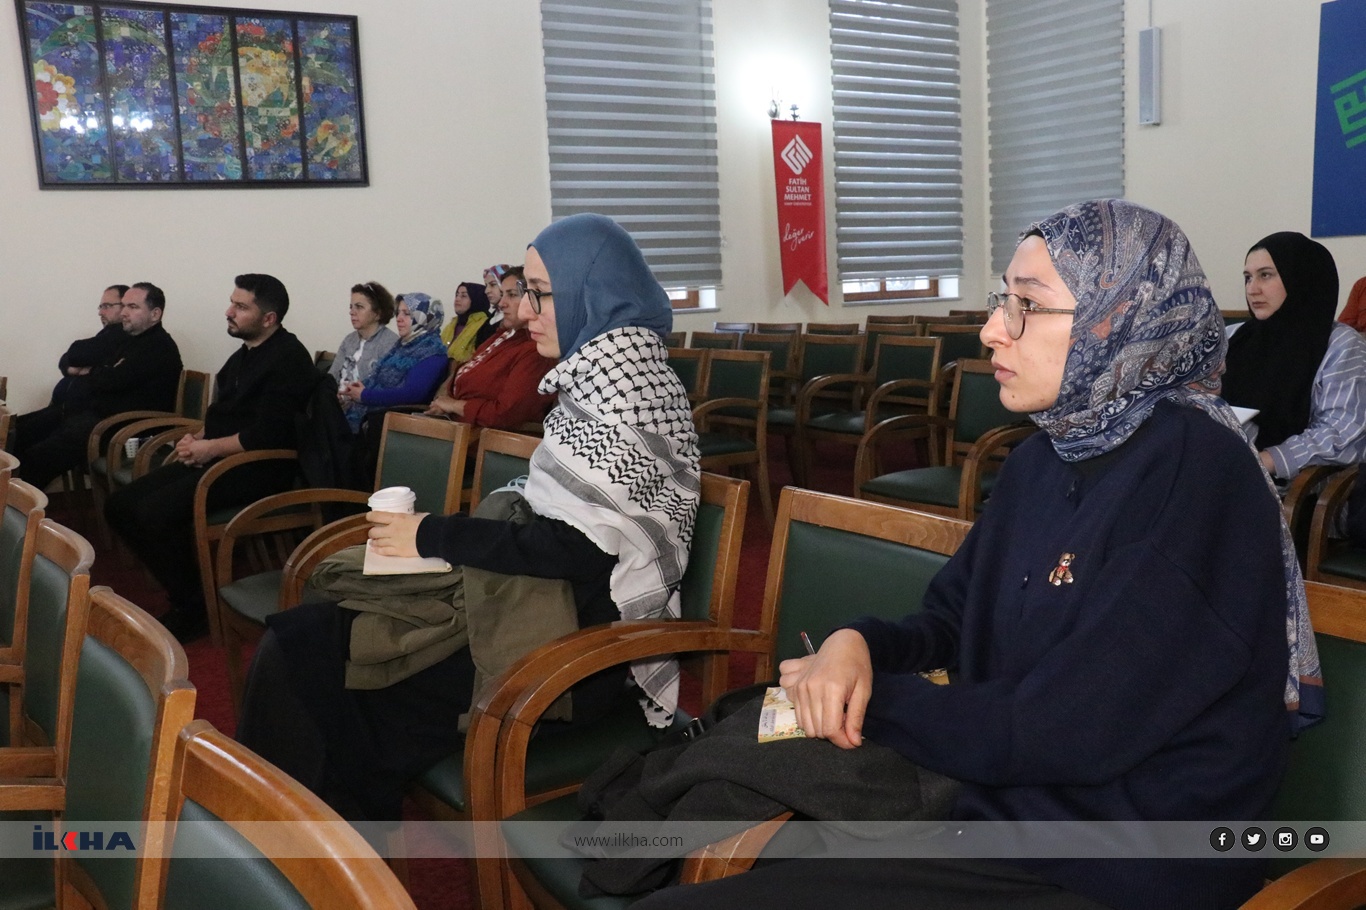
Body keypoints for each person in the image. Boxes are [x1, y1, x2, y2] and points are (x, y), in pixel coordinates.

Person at [636, 200, 1317, 910]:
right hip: (999, 802)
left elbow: (1064, 732)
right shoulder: (1045, 457)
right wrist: (856, 645)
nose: (993, 329)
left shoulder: (1195, 475)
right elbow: (953, 618)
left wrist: (868, 697)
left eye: (1029, 305)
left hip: (1117, 859)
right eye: (1002, 300)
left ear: (1117, 319)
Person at [237, 213, 699, 822]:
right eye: (526, 292)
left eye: (540, 293)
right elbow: (559, 519)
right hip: (534, 602)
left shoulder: (628, 391)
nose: (524, 311)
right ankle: (311, 839)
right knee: (312, 637)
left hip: (573, 647)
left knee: (315, 657)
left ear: (594, 292)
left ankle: (310, 844)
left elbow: (575, 551)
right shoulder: (603, 372)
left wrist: (432, 533)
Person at [105, 274, 316, 642]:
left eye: (241, 306)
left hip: (259, 467)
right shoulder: (245, 353)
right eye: (232, 302)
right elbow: (227, 414)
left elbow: (267, 435)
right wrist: (198, 438)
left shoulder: (288, 359)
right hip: (225, 457)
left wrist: (209, 448)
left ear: (269, 318)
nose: (229, 312)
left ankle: (194, 607)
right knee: (120, 505)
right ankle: (190, 591)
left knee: (153, 513)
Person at [1222, 232, 1366, 481]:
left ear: (1300, 277)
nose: (1252, 289)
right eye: (1248, 278)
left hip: (1291, 487)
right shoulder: (1232, 337)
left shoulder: (1340, 344)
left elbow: (1342, 431)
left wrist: (1265, 460)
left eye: (1265, 275)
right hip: (1218, 469)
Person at [14, 282, 182, 492]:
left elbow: (110, 381)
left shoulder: (159, 347)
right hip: (96, 418)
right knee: (18, 433)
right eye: (124, 306)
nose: (124, 313)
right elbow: (93, 367)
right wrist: (100, 372)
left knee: (38, 457)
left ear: (155, 314)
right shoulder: (130, 340)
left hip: (124, 431)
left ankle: (17, 508)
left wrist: (95, 372)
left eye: (133, 307)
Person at [425, 266, 556, 428]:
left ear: (534, 299)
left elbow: (506, 415)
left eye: (512, 295)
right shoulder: (503, 336)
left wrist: (454, 406)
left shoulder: (535, 350)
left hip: (483, 439)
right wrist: (444, 405)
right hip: (459, 428)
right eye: (503, 294)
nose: (501, 303)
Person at [337, 292, 448, 433]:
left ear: (425, 317)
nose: (399, 318)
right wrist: (354, 390)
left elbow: (412, 394)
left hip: (392, 421)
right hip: (376, 413)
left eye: (407, 314)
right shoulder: (403, 345)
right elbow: (378, 377)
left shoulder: (432, 352)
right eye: (398, 313)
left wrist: (365, 395)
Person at [49, 284, 130, 409]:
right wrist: (77, 370)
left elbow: (76, 353)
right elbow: (65, 360)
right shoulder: (107, 333)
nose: (100, 312)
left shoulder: (122, 334)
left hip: (93, 413)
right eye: (101, 307)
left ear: (125, 306)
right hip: (70, 408)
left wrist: (84, 369)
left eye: (107, 306)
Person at [328, 281, 398, 390]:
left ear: (378, 313)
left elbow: (387, 387)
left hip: (367, 400)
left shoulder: (390, 343)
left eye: (359, 307)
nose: (352, 312)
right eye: (351, 307)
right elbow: (331, 377)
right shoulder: (349, 340)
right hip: (337, 398)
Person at [439, 280, 496, 364]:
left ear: (476, 299)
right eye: (457, 295)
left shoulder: (485, 325)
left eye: (464, 296)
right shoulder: (452, 324)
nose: (457, 299)